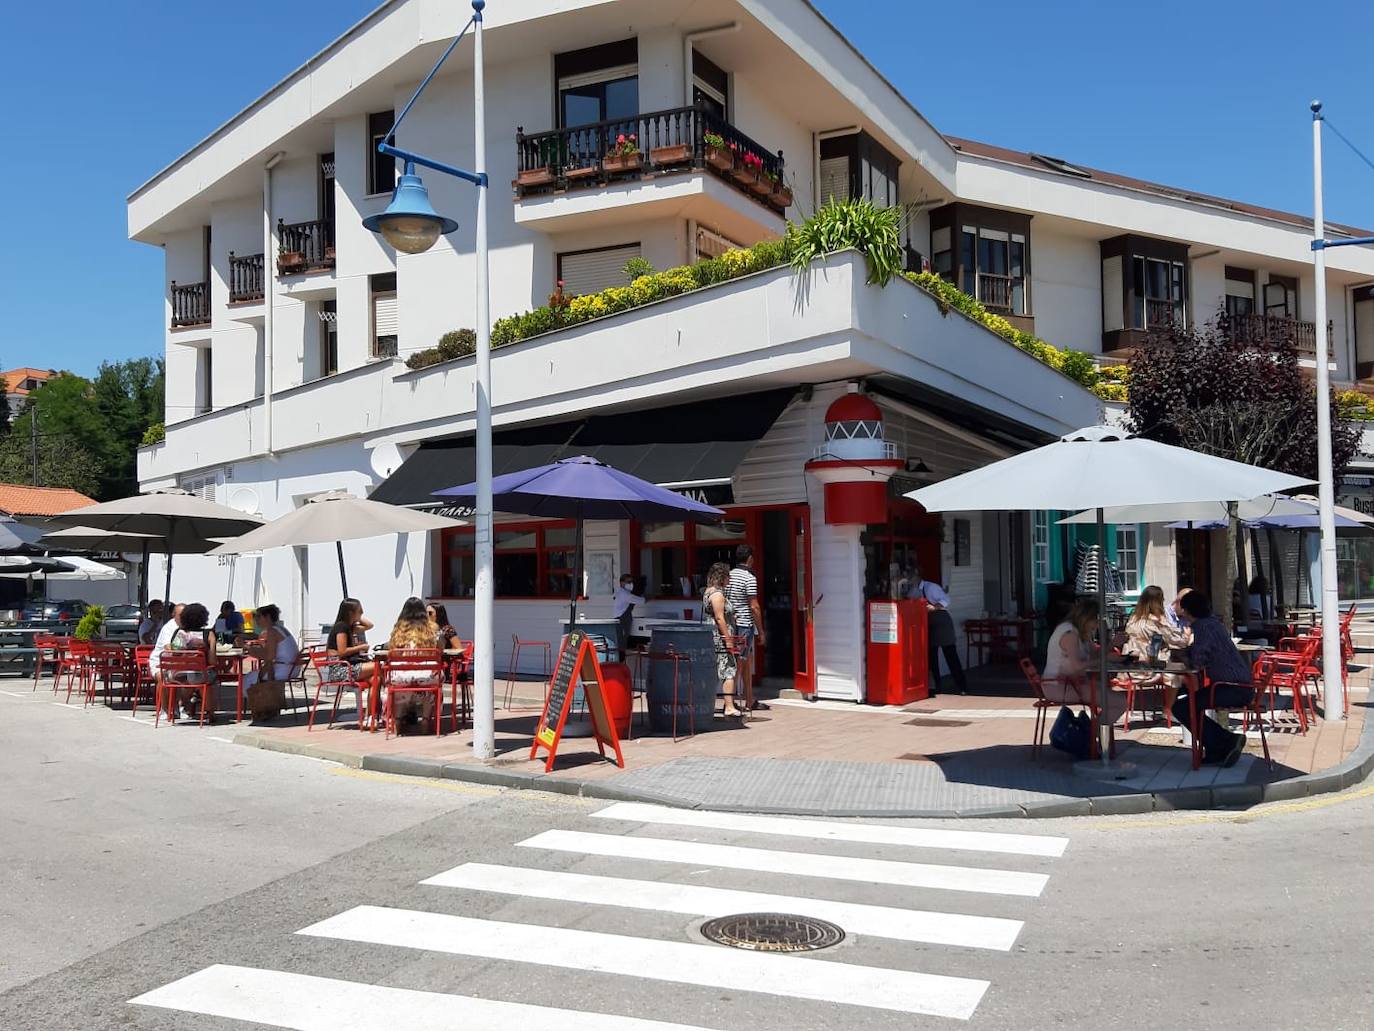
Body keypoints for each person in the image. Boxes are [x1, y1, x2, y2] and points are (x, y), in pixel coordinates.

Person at [1174, 591, 1252, 768]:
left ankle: (1225, 742)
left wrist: (1182, 655)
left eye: (1183, 609)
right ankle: (1219, 746)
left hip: (1230, 688)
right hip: (1239, 685)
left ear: (1188, 611)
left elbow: (1198, 661)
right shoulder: (1213, 623)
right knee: (1189, 705)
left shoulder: (1202, 627)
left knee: (1182, 707)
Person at [1042, 598, 1128, 726]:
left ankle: (1093, 733)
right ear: (1086, 618)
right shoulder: (1069, 634)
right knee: (1119, 702)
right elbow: (1076, 667)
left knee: (1108, 692)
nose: (1097, 625)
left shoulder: (1080, 632)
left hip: (1071, 684)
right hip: (1059, 686)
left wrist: (1112, 644)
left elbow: (1094, 654)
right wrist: (1105, 659)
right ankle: (1092, 734)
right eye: (1096, 620)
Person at [1122, 585, 1193, 713]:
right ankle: (1171, 710)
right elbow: (1177, 641)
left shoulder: (1133, 619)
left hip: (1130, 669)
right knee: (1183, 677)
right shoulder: (1156, 622)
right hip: (1149, 668)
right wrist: (1188, 636)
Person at [910, 563, 967, 696]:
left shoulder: (930, 587)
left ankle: (962, 686)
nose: (909, 579)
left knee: (950, 654)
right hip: (927, 624)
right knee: (931, 657)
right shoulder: (912, 590)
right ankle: (935, 687)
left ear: (917, 575)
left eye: (911, 576)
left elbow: (946, 600)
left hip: (941, 621)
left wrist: (934, 607)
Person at [386, 596, 442, 731]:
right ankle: (425, 720)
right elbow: (440, 650)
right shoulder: (432, 627)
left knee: (392, 682)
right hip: (427, 676)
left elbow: (392, 650)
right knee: (435, 682)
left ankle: (398, 720)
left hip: (401, 677)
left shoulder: (398, 629)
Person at [727, 544, 765, 711]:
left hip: (732, 624)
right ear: (750, 559)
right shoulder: (749, 578)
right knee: (740, 663)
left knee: (745, 662)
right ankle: (730, 701)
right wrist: (761, 630)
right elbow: (754, 606)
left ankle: (749, 699)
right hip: (744, 625)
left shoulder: (728, 576)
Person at [163, 602, 216, 721]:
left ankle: (179, 707)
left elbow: (173, 653)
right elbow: (212, 661)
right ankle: (210, 712)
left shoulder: (178, 633)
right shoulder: (208, 634)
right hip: (198, 675)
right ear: (204, 617)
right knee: (208, 678)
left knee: (190, 676)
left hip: (174, 676)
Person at [703, 561, 742, 718]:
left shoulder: (708, 591)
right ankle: (729, 706)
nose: (729, 580)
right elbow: (719, 618)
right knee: (729, 670)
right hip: (720, 637)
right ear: (722, 577)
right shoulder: (717, 594)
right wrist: (728, 639)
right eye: (728, 576)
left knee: (713, 671)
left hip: (712, 634)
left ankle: (709, 703)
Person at [242, 604, 300, 690]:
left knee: (248, 678)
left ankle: (253, 703)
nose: (255, 619)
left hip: (285, 669)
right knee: (254, 675)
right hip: (292, 668)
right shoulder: (281, 629)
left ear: (267, 617)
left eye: (258, 616)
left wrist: (246, 647)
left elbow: (269, 657)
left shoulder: (272, 631)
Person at [147, 602, 185, 681]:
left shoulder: (188, 626)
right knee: (166, 679)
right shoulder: (169, 627)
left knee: (203, 680)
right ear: (173, 615)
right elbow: (168, 648)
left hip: (180, 664)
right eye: (181, 615)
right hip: (161, 664)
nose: (184, 617)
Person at [612, 573, 645, 657]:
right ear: (622, 583)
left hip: (619, 617)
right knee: (622, 640)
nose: (631, 584)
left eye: (631, 582)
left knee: (621, 640)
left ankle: (621, 656)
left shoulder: (619, 592)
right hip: (622, 618)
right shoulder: (625, 594)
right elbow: (641, 600)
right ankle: (621, 658)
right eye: (628, 582)